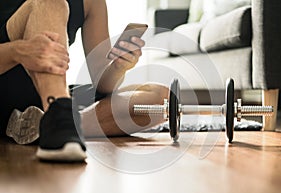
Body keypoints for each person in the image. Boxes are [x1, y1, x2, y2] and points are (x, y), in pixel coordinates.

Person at [0, 0, 168, 162]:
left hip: (44, 98)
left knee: (160, 100)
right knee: (50, 3)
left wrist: (119, 67)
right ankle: (59, 121)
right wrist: (18, 51)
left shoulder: (93, 2)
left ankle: (47, 123)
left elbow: (103, 84)